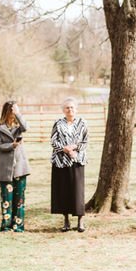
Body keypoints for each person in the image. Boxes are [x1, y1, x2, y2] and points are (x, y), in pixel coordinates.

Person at [50, 98, 89, 232]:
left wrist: (74, 148)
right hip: (61, 162)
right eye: (67, 108)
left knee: (77, 191)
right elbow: (53, 141)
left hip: (77, 160)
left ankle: (80, 222)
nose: (70, 110)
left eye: (72, 107)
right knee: (63, 191)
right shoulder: (58, 123)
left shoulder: (82, 123)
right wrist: (65, 149)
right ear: (63, 110)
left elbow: (85, 142)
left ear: (76, 109)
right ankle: (66, 221)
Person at [0, 101, 30, 232]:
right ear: (5, 111)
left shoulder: (19, 126)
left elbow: (26, 127)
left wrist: (18, 113)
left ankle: (18, 225)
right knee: (6, 198)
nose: (12, 113)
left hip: (20, 166)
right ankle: (6, 225)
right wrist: (11, 146)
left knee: (19, 198)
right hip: (5, 167)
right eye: (10, 110)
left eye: (13, 110)